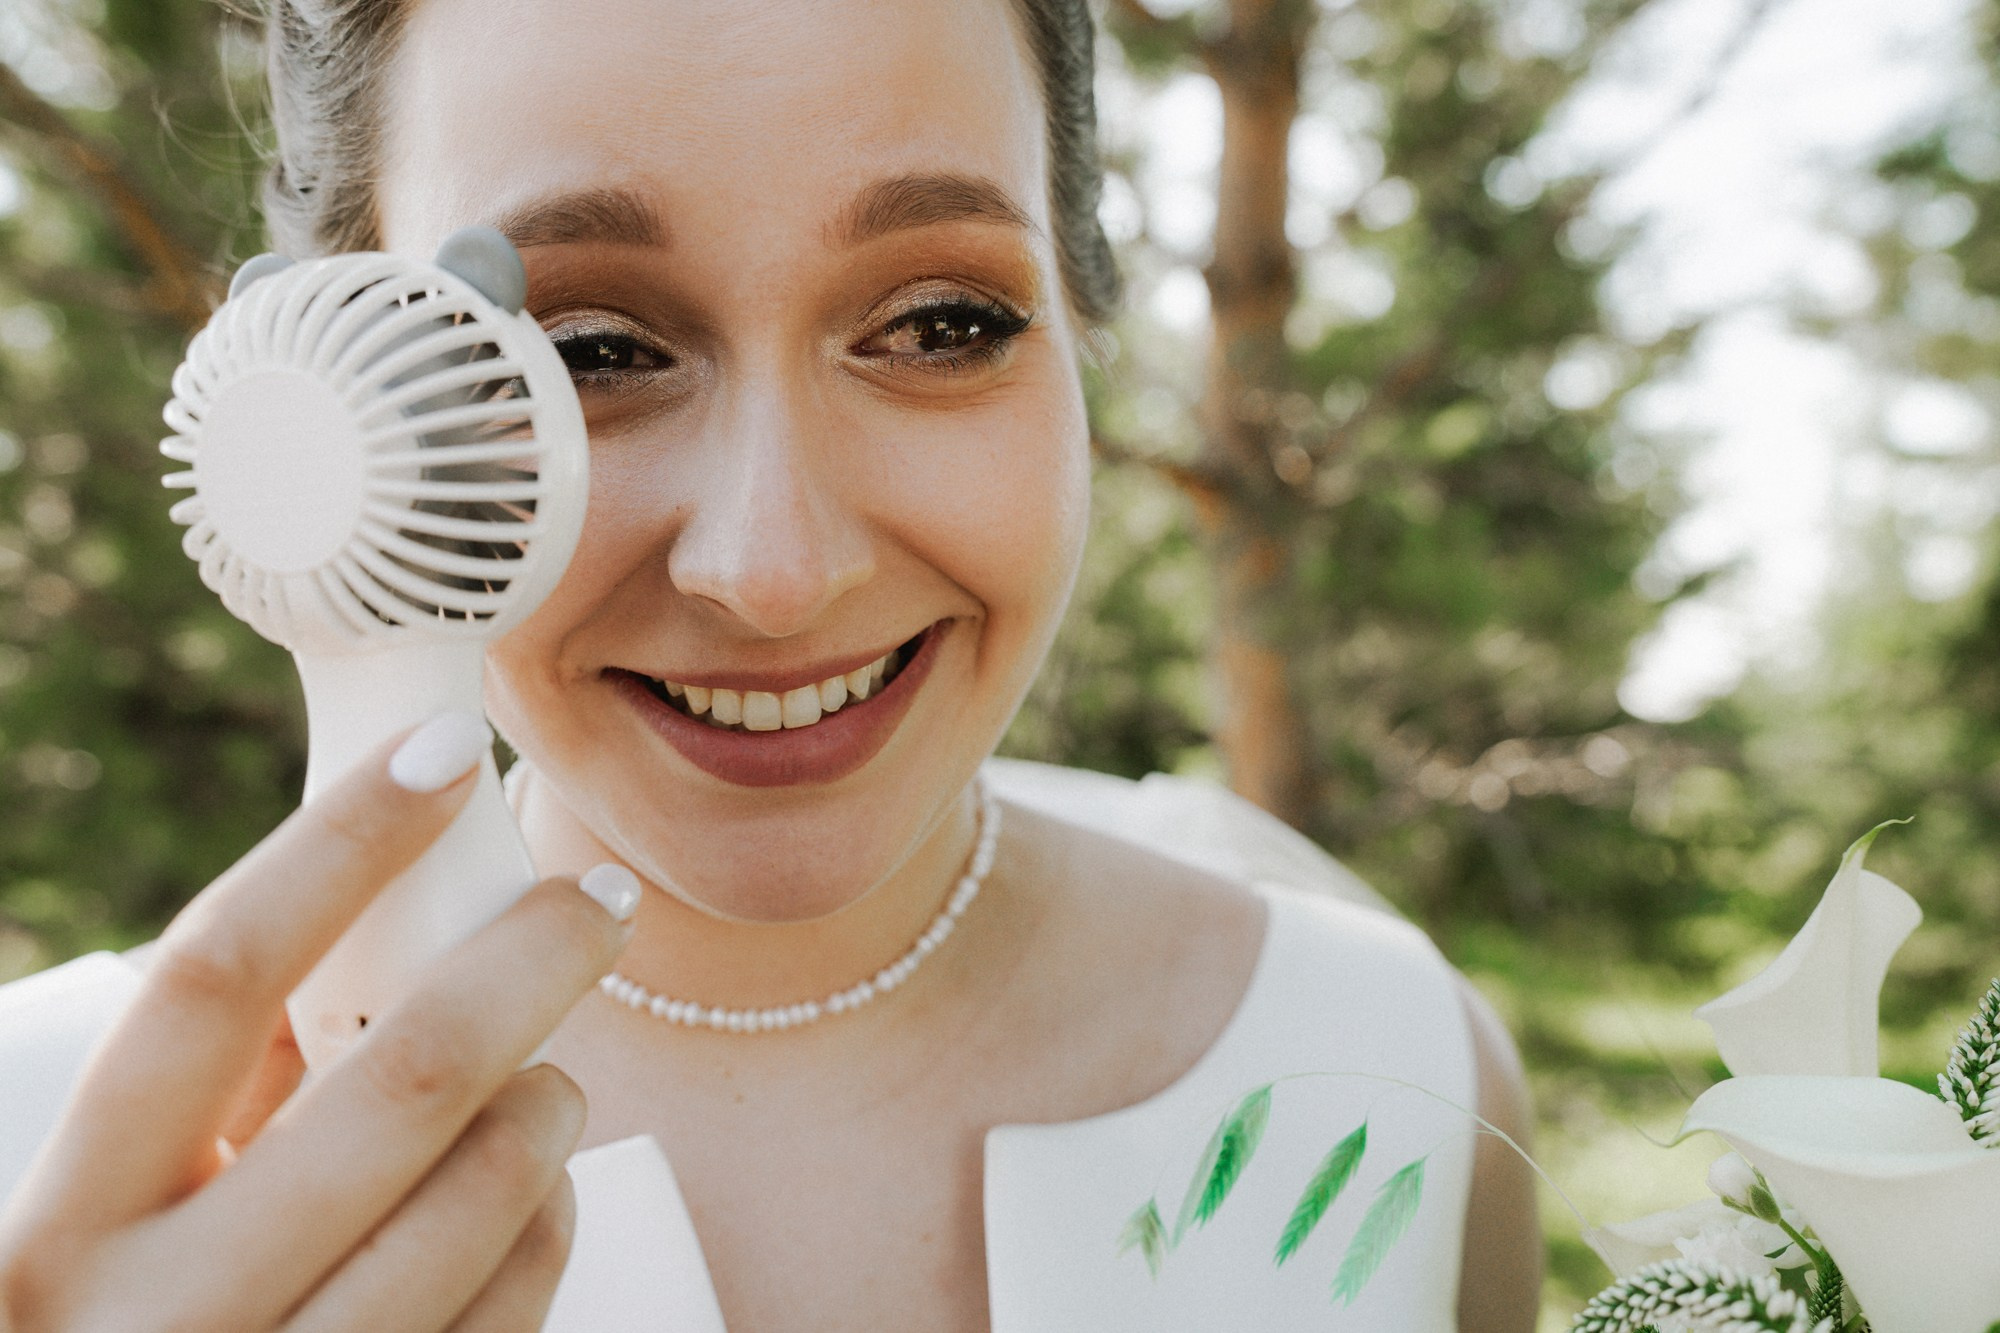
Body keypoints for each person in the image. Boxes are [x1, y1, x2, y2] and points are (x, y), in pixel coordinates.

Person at [0, 0, 1542, 1328]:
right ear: (332, 389)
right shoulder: (45, 1170)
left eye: (941, 322)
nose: (770, 568)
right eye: (587, 351)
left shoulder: (1395, 1075)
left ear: (1083, 321)